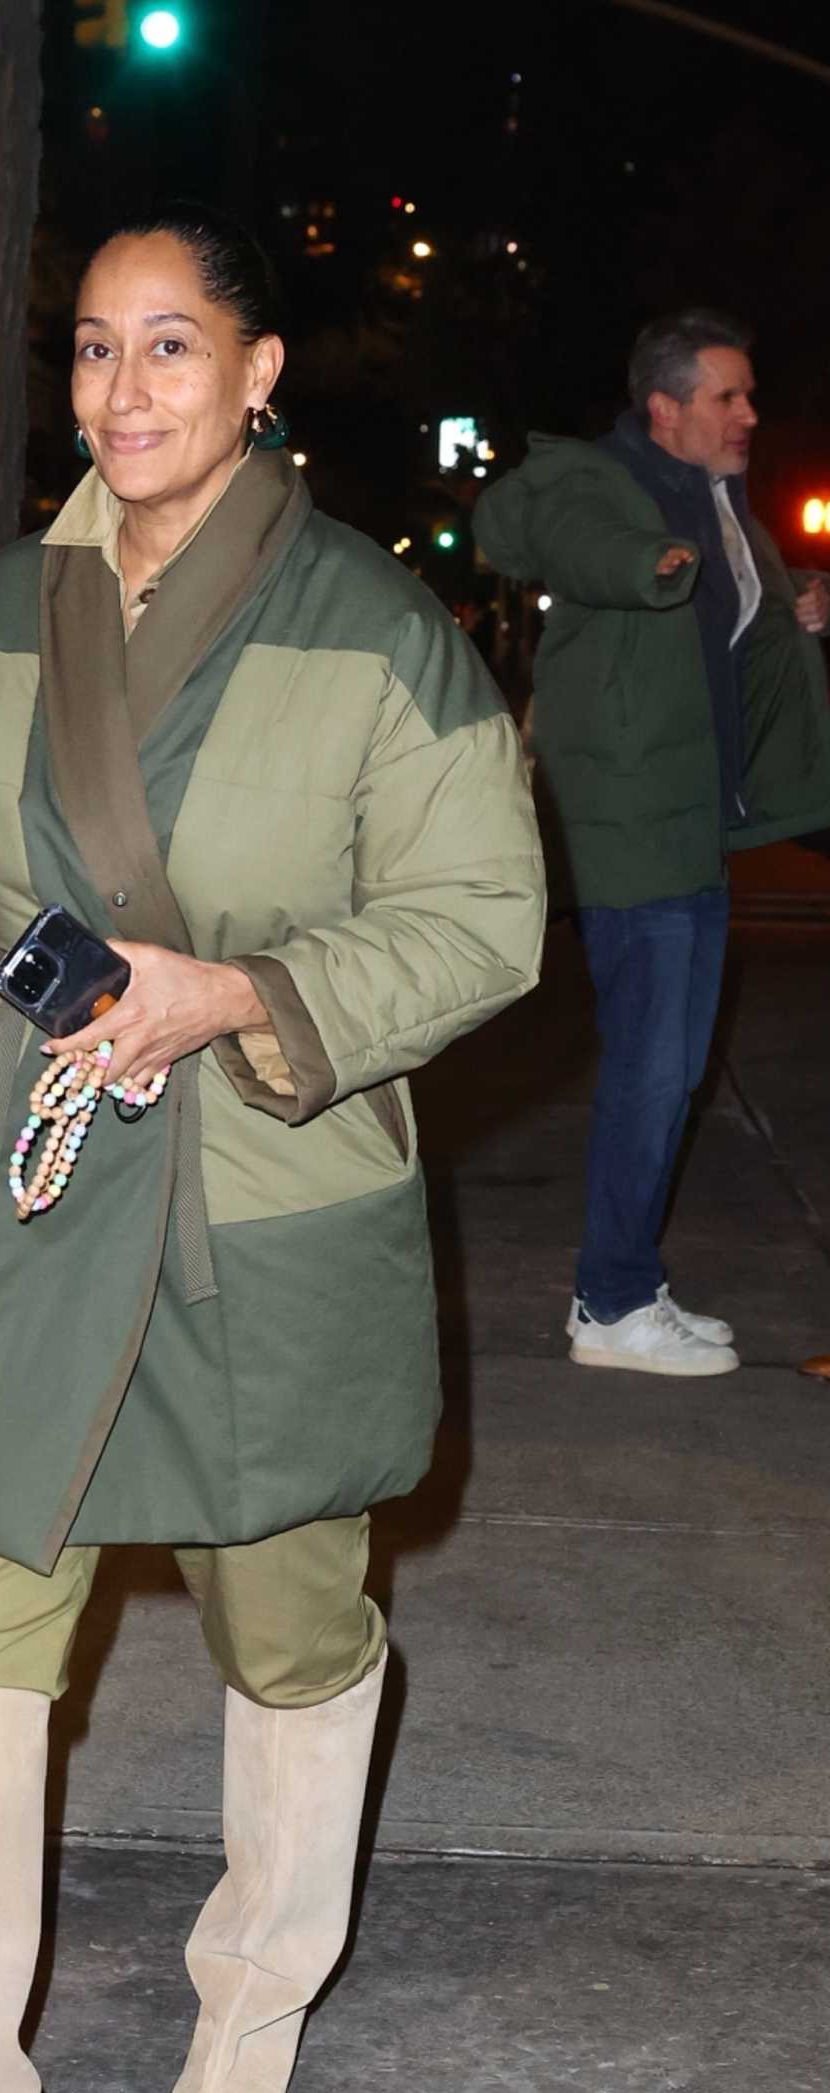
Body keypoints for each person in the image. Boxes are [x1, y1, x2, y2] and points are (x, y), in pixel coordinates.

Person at [0, 204, 544, 2093]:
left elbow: (487, 913)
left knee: (292, 1621)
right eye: (99, 353)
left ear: (260, 369)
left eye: (173, 347)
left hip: (263, 1206)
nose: (127, 393)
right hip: (4, 1214)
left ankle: (257, 1979)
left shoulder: (379, 635)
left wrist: (249, 989)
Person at [476, 310, 830, 1377]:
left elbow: (729, 633)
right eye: (727, 396)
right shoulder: (604, 483)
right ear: (663, 407)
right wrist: (643, 557)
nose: (748, 414)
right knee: (649, 1066)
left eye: (749, 394)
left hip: (692, 822)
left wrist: (792, 611)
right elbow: (540, 528)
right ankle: (611, 1301)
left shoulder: (717, 506)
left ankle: (626, 1276)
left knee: (668, 1071)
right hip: (634, 825)